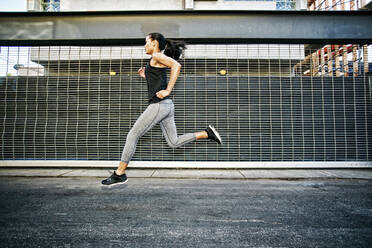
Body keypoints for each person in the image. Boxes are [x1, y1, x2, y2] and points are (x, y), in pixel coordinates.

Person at [102, 32, 222, 187]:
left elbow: (176, 66)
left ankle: (119, 173)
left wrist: (168, 90)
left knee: (132, 135)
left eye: (146, 42)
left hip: (159, 105)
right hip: (166, 106)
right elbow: (160, 77)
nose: (144, 45)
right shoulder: (155, 60)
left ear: (154, 43)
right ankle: (206, 133)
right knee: (173, 142)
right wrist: (147, 75)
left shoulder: (157, 56)